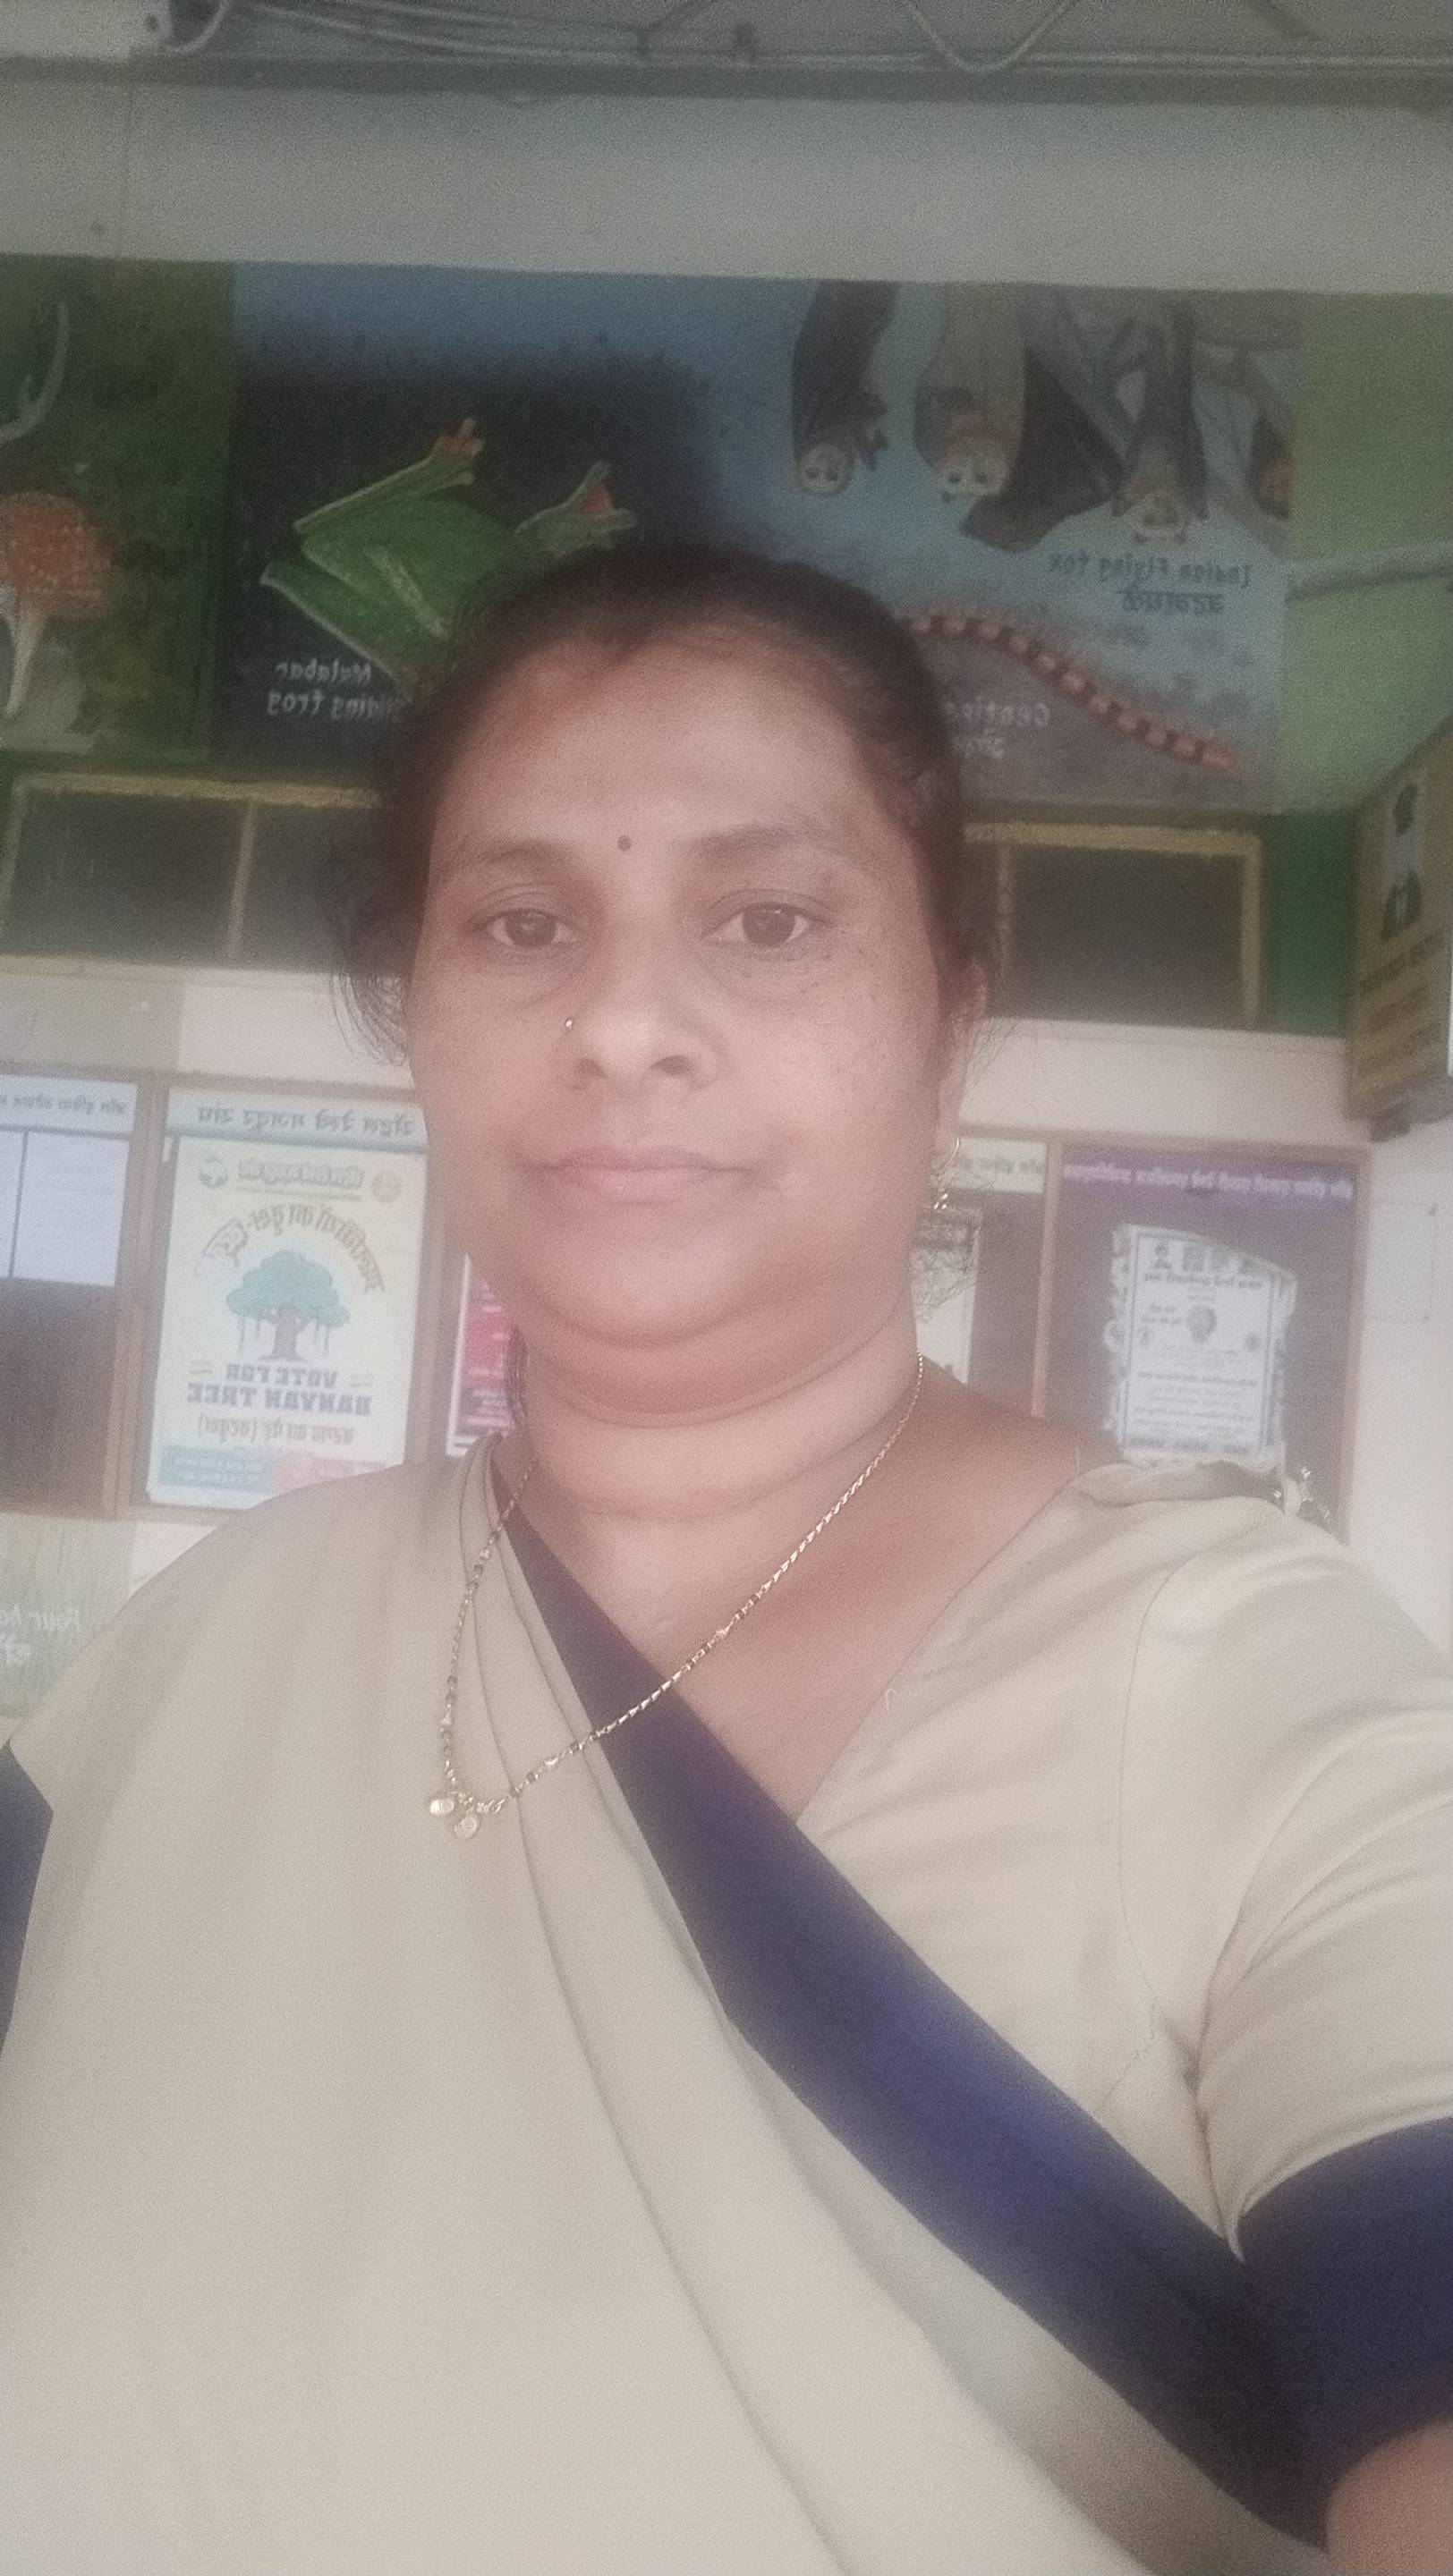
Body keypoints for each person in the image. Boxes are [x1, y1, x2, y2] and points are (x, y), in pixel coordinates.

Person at [0, 544, 1449, 2576]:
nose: (620, 1023)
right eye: (521, 923)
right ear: (415, 1014)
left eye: (768, 920)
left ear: (948, 1021)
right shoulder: (192, 1664)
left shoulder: (1253, 1700)